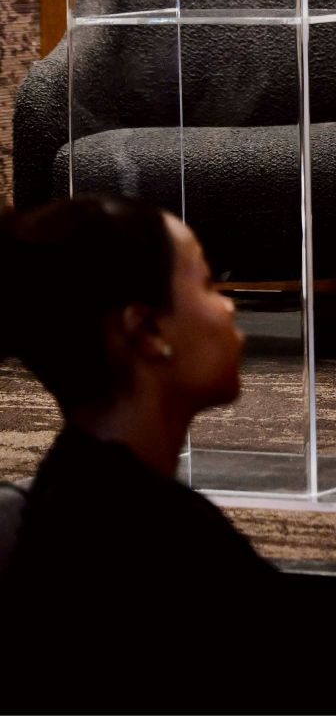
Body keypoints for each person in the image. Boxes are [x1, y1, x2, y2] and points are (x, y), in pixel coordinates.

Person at [0, 194, 278, 710]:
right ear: (147, 329)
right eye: (207, 284)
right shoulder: (172, 552)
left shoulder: (72, 490)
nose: (228, 307)